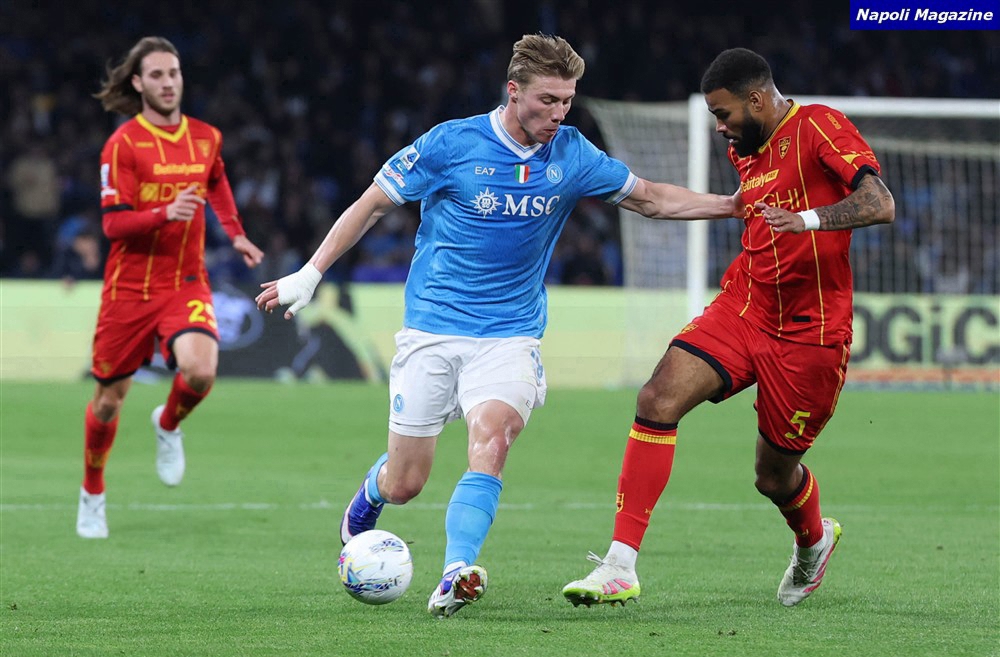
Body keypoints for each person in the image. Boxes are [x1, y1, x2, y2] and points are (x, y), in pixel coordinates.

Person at [255, 33, 739, 618]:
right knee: (407, 481)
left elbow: (652, 199)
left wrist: (732, 205)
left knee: (493, 437)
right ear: (514, 91)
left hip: (510, 334)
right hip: (432, 329)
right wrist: (310, 274)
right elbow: (373, 203)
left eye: (567, 101)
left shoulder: (572, 154)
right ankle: (372, 494)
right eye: (547, 100)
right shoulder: (452, 143)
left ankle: (455, 572)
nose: (558, 114)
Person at [562, 47, 895, 608]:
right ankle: (619, 565)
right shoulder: (746, 148)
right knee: (657, 398)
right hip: (746, 306)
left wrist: (807, 220)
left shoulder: (818, 125)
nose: (720, 128)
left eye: (724, 114)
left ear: (757, 99)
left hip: (811, 332)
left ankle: (813, 539)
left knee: (773, 476)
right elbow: (747, 206)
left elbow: (880, 203)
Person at [75, 36, 264, 539]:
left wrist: (236, 233)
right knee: (108, 401)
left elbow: (216, 181)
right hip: (129, 289)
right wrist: (165, 212)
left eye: (173, 73)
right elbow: (113, 225)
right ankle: (92, 492)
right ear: (138, 83)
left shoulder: (205, 137)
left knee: (200, 372)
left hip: (185, 281)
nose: (167, 83)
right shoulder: (122, 146)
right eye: (156, 75)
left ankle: (168, 423)